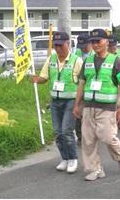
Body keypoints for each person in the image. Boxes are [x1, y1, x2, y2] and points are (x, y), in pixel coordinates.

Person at [73, 28, 120, 181]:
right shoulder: (88, 61)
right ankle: (95, 169)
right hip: (89, 106)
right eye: (93, 42)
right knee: (88, 139)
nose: (95, 44)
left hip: (107, 108)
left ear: (106, 42)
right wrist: (77, 104)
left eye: (98, 41)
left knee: (108, 137)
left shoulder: (115, 61)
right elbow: (82, 84)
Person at [30, 31, 83, 173]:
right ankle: (64, 158)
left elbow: (83, 83)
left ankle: (73, 159)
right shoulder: (51, 59)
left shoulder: (77, 61)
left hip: (70, 101)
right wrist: (36, 79)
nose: (58, 48)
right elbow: (44, 77)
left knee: (67, 130)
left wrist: (79, 104)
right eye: (56, 45)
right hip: (55, 101)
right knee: (57, 132)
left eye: (61, 45)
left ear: (68, 44)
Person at [74, 33, 94, 146]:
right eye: (80, 45)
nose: (82, 48)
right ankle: (80, 136)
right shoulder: (76, 53)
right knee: (78, 113)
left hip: (92, 89)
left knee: (91, 114)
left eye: (84, 45)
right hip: (79, 87)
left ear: (90, 43)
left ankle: (91, 135)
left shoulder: (95, 54)